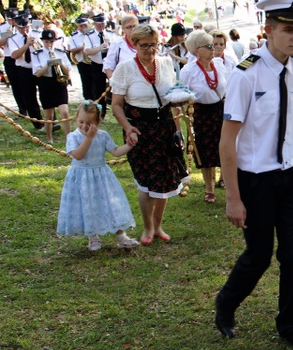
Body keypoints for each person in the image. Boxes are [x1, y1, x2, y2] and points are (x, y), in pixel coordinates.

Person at [214, 0, 293, 350]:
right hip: (256, 180)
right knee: (258, 255)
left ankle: (289, 324)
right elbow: (228, 142)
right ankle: (226, 303)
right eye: (289, 29)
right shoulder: (246, 74)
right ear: (268, 30)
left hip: (291, 176)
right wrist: (233, 197)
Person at [110, 24, 190, 246]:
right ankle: (147, 226)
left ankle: (157, 225)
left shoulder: (165, 63)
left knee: (164, 179)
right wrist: (127, 127)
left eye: (154, 45)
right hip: (139, 129)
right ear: (134, 45)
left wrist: (178, 122)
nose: (150, 50)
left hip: (164, 126)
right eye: (144, 45)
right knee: (146, 181)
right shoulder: (125, 68)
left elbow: (173, 95)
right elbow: (116, 105)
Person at [56, 101, 140, 251]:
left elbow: (115, 152)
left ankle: (121, 235)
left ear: (98, 122)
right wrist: (88, 138)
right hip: (82, 178)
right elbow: (78, 155)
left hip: (102, 176)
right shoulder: (73, 137)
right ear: (76, 118)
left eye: (89, 123)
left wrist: (129, 145)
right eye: (81, 122)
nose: (84, 126)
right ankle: (93, 237)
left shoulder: (102, 136)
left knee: (111, 204)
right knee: (88, 206)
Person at [180, 29, 227, 203]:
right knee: (205, 151)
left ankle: (226, 181)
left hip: (220, 110)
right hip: (201, 114)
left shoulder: (219, 65)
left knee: (225, 147)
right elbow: (182, 94)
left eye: (213, 44)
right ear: (197, 50)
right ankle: (209, 188)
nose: (213, 48)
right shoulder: (189, 70)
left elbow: (227, 86)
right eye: (209, 46)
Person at [31, 29, 71, 144]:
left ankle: (69, 137)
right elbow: (37, 73)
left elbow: (68, 71)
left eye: (51, 41)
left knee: (65, 112)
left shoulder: (60, 52)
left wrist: (60, 63)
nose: (49, 44)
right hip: (45, 83)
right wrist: (47, 64)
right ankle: (49, 138)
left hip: (59, 83)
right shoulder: (37, 54)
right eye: (47, 42)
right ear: (43, 41)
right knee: (48, 115)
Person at [8, 12, 45, 129]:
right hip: (24, 69)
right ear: (17, 27)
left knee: (45, 94)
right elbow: (14, 55)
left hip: (38, 67)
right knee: (29, 98)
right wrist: (27, 45)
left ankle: (51, 121)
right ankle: (38, 124)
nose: (25, 29)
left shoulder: (37, 34)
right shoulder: (13, 39)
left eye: (26, 26)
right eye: (21, 27)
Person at [103, 14, 139, 80]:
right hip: (124, 84)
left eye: (134, 26)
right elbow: (108, 66)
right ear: (123, 29)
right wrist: (114, 84)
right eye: (129, 27)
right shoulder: (117, 44)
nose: (132, 29)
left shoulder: (145, 42)